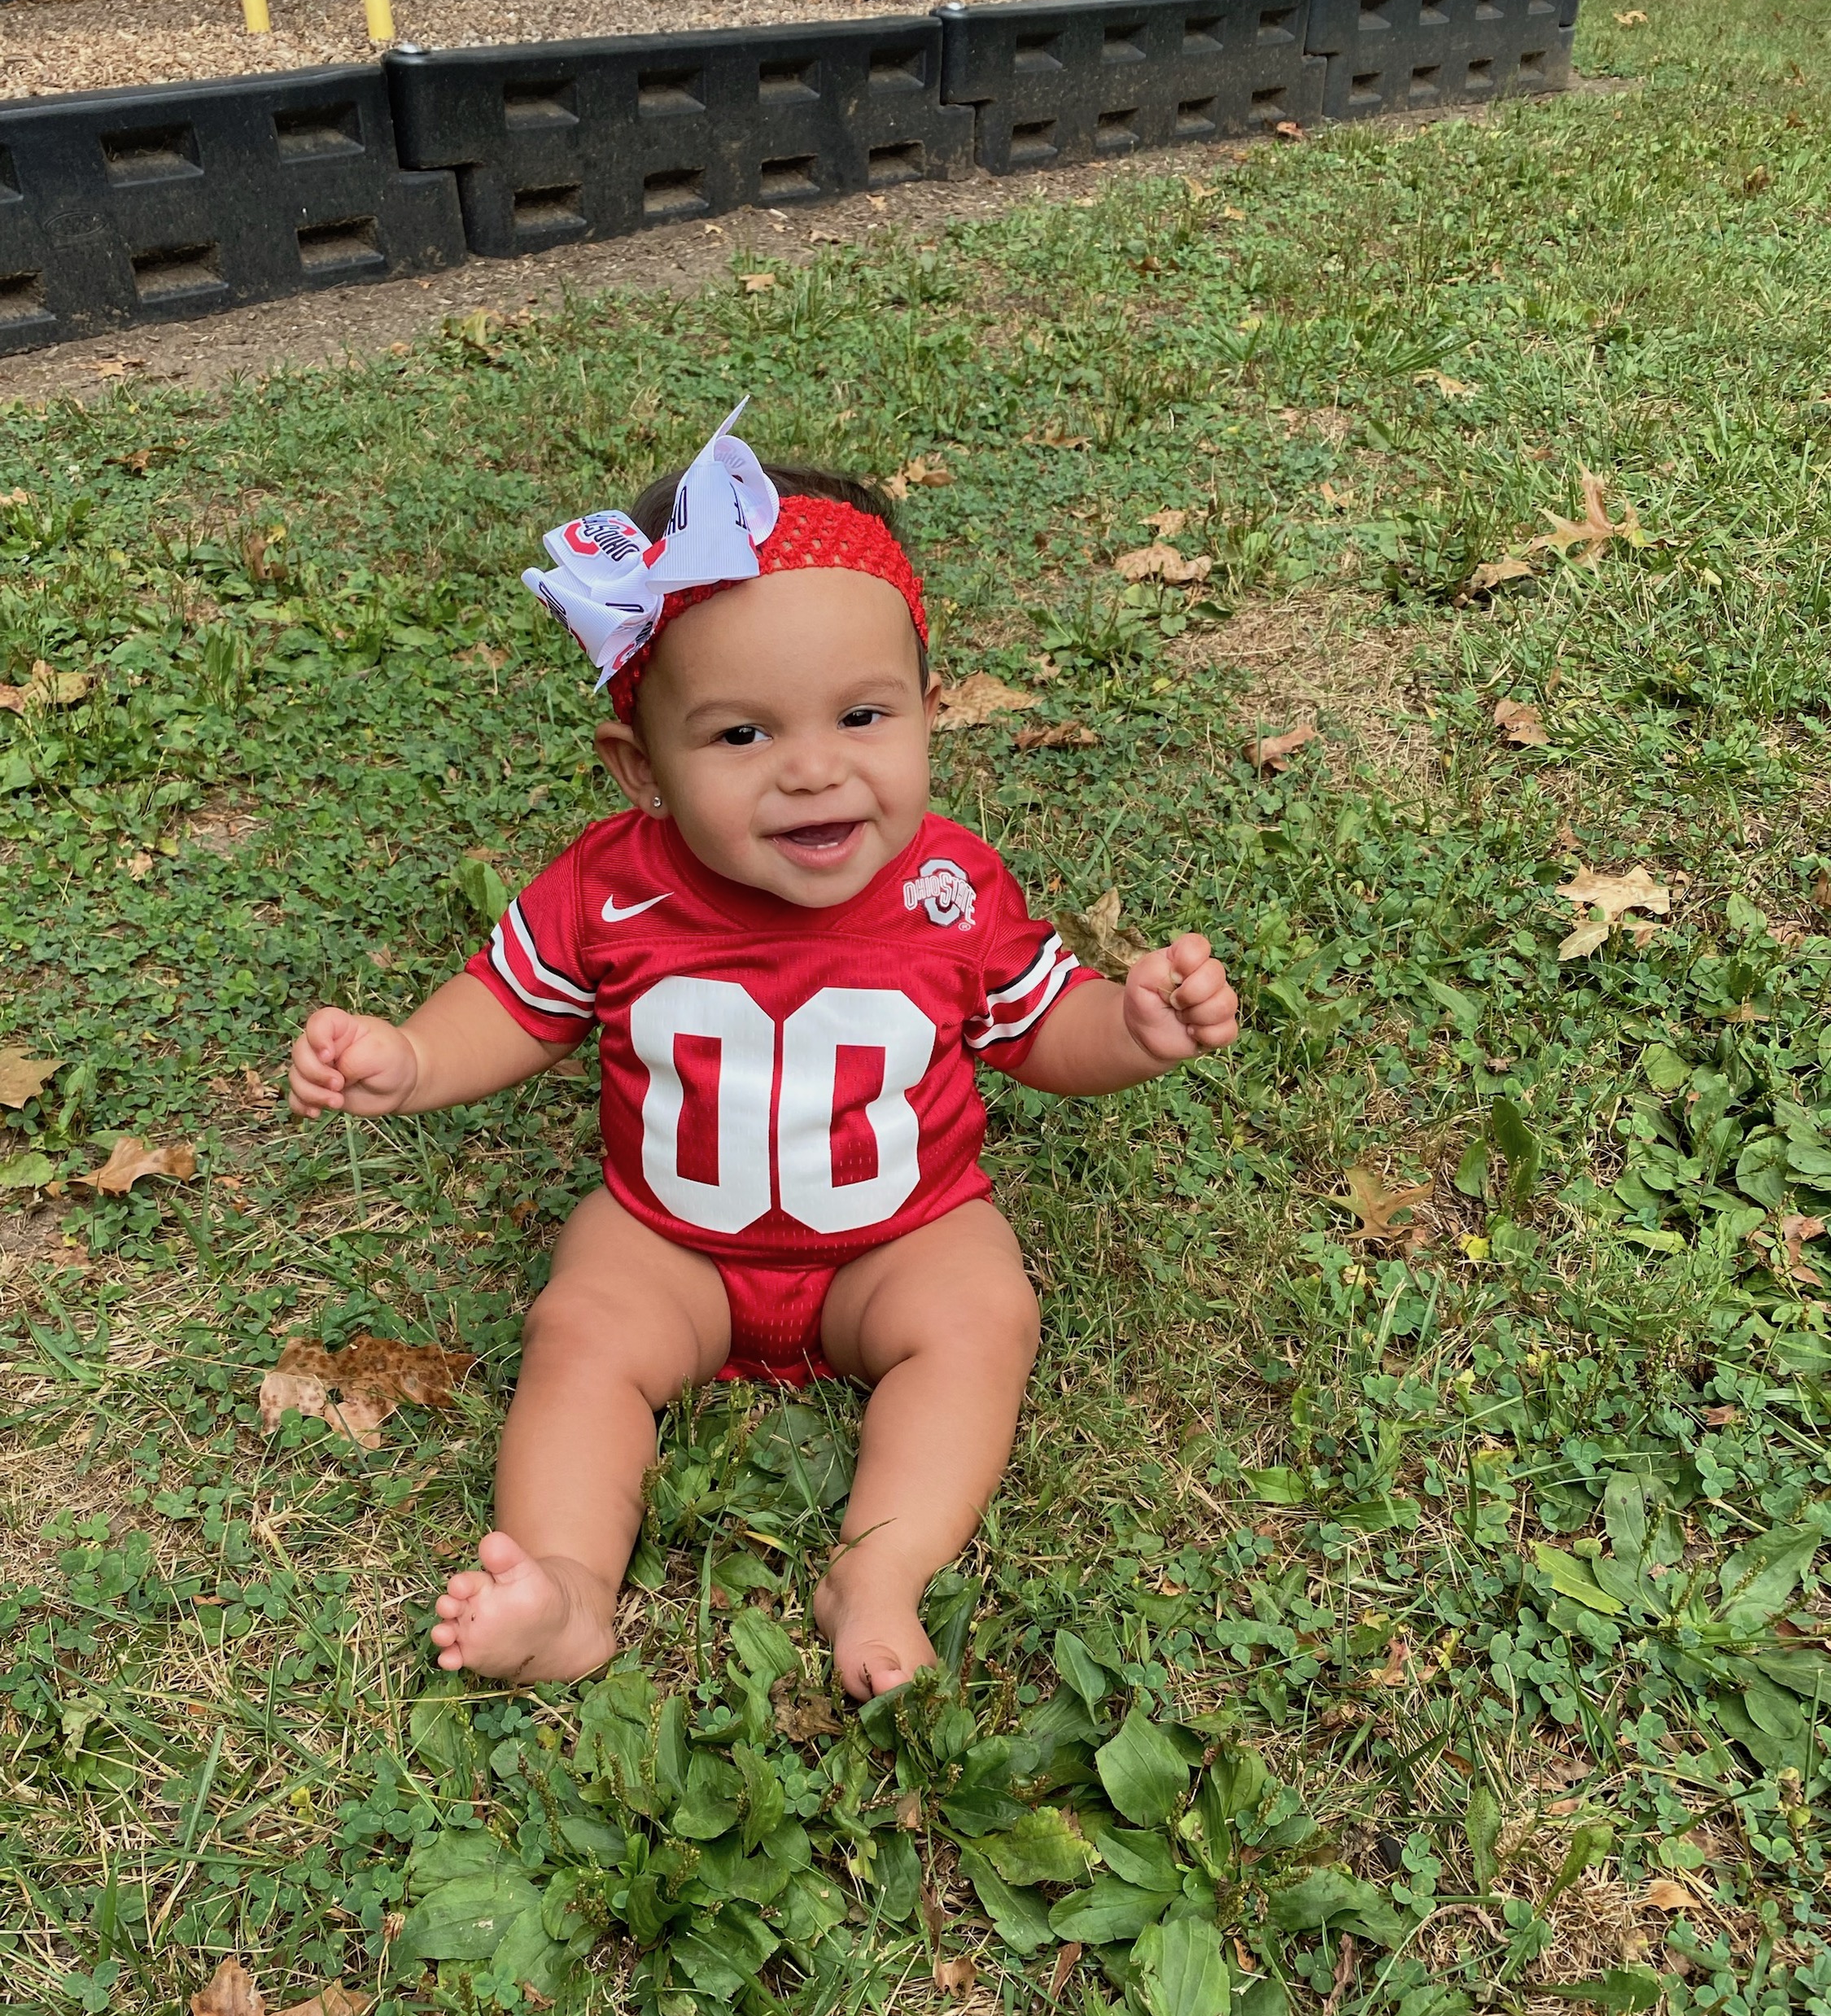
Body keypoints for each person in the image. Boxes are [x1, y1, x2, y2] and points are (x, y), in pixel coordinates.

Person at [286, 406, 1240, 1701]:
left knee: (980, 1315)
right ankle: (565, 1588)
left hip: (896, 1235)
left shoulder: (952, 887)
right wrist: (409, 1056)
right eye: (740, 735)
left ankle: (882, 1571)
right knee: (579, 1329)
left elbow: (1035, 1026)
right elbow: (511, 1006)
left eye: (860, 715)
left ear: (930, 711)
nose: (810, 772)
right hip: (670, 1241)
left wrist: (1126, 1031)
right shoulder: (610, 888)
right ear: (641, 766)